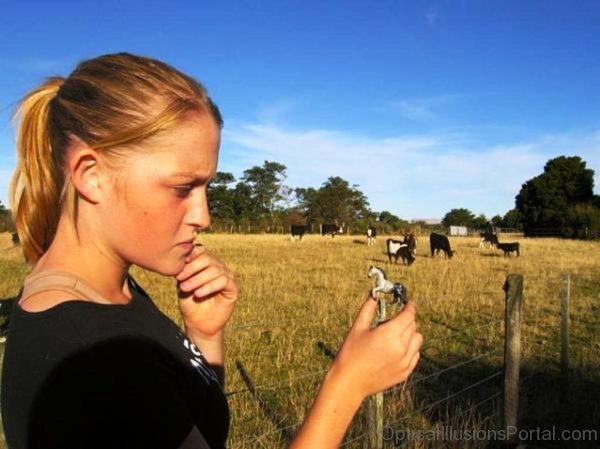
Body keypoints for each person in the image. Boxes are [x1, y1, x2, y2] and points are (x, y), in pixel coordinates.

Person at [1, 53, 422, 449]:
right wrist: (348, 384)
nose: (204, 216)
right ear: (90, 175)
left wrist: (204, 335)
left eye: (207, 188)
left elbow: (193, 429)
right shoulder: (101, 357)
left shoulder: (103, 294)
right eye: (183, 188)